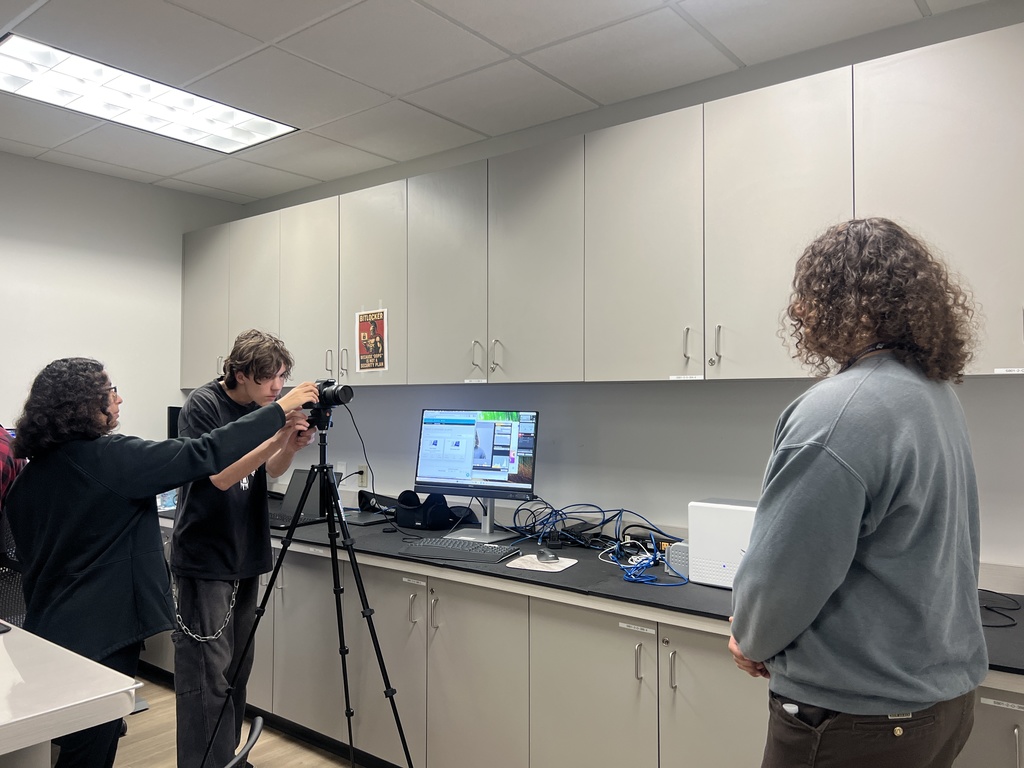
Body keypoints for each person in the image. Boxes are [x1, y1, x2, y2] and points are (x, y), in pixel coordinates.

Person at [728, 217, 986, 768]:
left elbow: (785, 574)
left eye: (808, 294)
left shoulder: (839, 413)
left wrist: (749, 637)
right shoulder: (934, 395)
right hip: (939, 706)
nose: (798, 312)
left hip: (856, 721)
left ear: (846, 301)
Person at [4, 357, 318, 768]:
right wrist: (280, 410)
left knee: (67, 747)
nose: (119, 399)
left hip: (48, 628)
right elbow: (207, 453)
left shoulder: (31, 476)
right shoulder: (109, 458)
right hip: (102, 634)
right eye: (110, 391)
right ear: (84, 405)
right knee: (89, 751)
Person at [171, 329, 316, 768]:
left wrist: (287, 443)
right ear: (239, 373)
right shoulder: (204, 405)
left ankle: (227, 760)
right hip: (206, 556)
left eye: (283, 376)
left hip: (245, 551)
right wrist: (276, 425)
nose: (278, 387)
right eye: (269, 377)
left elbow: (271, 471)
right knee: (205, 675)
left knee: (236, 671)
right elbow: (219, 476)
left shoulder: (262, 410)